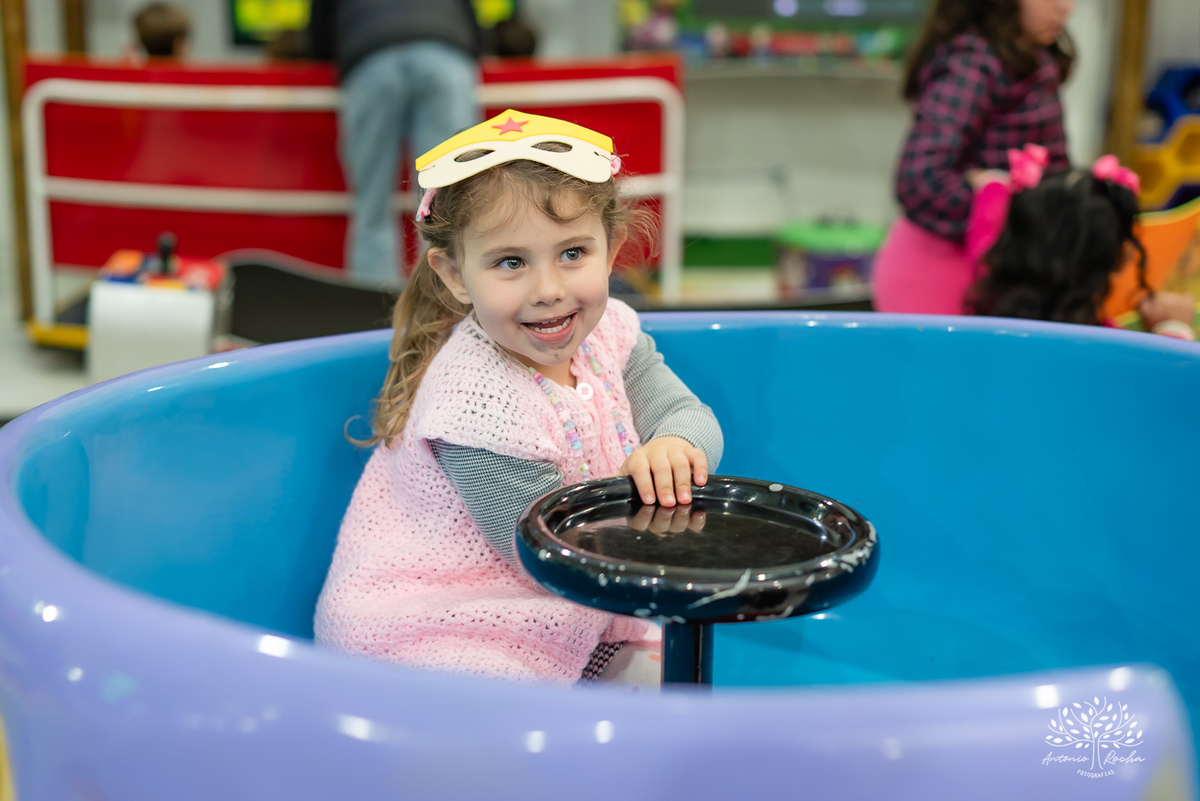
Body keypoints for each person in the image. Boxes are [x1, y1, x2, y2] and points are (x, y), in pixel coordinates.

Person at [314, 110, 724, 686]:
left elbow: (687, 415)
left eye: (573, 254)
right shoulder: (475, 403)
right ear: (455, 275)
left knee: (688, 678)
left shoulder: (611, 333)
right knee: (509, 734)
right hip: (435, 630)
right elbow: (544, 552)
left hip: (573, 604)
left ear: (612, 251)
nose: (549, 290)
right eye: (511, 262)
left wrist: (677, 448)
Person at [873, 0, 1075, 314]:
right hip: (941, 278)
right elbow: (920, 180)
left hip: (992, 277)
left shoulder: (1032, 51)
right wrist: (1004, 208)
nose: (1066, 7)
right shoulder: (973, 60)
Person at [307, 0, 481, 286]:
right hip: (444, 53)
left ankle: (374, 318)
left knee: (371, 209)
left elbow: (318, 37)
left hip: (370, 59)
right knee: (446, 202)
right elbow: (475, 27)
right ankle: (445, 312)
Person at [966, 154, 1197, 340]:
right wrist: (1174, 328)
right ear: (1120, 257)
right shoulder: (1102, 345)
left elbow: (984, 232)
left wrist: (992, 187)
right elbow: (1160, 386)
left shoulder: (985, 295)